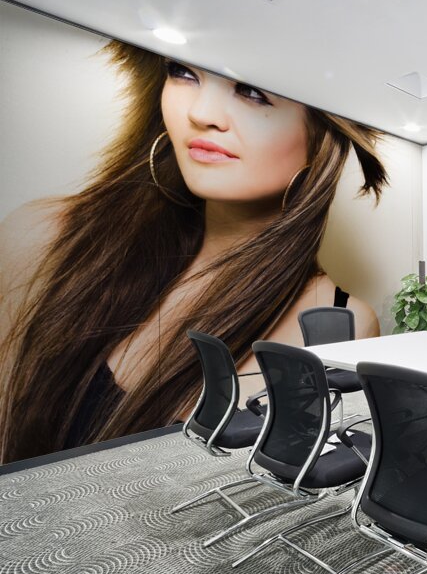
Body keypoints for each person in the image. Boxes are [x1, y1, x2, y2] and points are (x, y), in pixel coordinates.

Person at [0, 41, 388, 464]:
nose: (200, 113)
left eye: (252, 91)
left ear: (320, 138)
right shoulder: (47, 237)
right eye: (182, 72)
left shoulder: (347, 320)